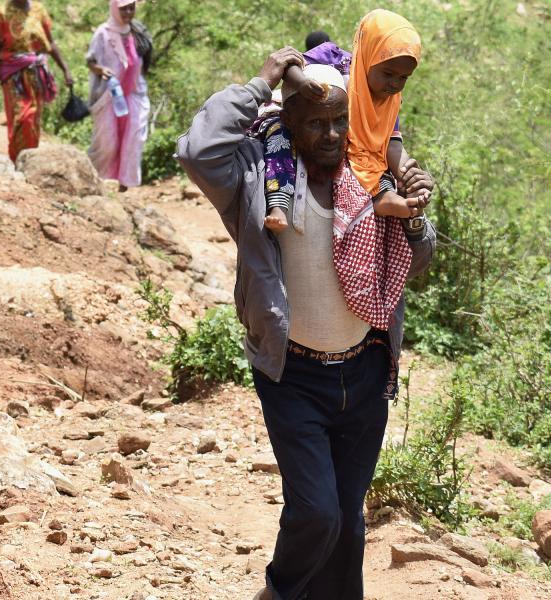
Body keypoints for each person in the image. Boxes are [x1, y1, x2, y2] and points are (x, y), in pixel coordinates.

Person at [176, 48, 436, 600]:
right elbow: (198, 152)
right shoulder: (258, 176)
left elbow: (421, 257)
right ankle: (279, 591)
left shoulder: (370, 171)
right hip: (293, 373)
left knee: (347, 524)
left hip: (366, 371)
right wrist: (261, 81)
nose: (332, 133)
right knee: (317, 513)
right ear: (289, 123)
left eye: (341, 120)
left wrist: (414, 216)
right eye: (316, 122)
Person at [265, 9, 422, 233]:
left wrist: (407, 172)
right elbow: (288, 64)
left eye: (403, 78)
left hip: (349, 140)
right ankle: (278, 204)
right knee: (278, 139)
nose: (395, 84)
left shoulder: (389, 101)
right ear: (370, 55)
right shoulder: (334, 57)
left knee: (376, 153)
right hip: (304, 119)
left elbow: (392, 143)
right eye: (388, 73)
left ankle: (383, 196)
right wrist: (301, 83)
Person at [0, 0, 74, 161]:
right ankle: (16, 159)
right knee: (22, 118)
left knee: (33, 120)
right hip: (13, 76)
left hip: (36, 76)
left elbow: (50, 43)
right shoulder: (1, 15)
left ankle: (30, 161)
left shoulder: (39, 10)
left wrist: (65, 69)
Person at [86, 0, 153, 192]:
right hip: (109, 95)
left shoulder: (137, 31)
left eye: (131, 8)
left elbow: (143, 59)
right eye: (124, 8)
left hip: (134, 93)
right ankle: (97, 179)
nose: (128, 12)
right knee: (107, 141)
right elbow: (91, 61)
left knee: (133, 137)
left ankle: (124, 185)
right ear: (115, 9)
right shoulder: (103, 33)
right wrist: (101, 70)